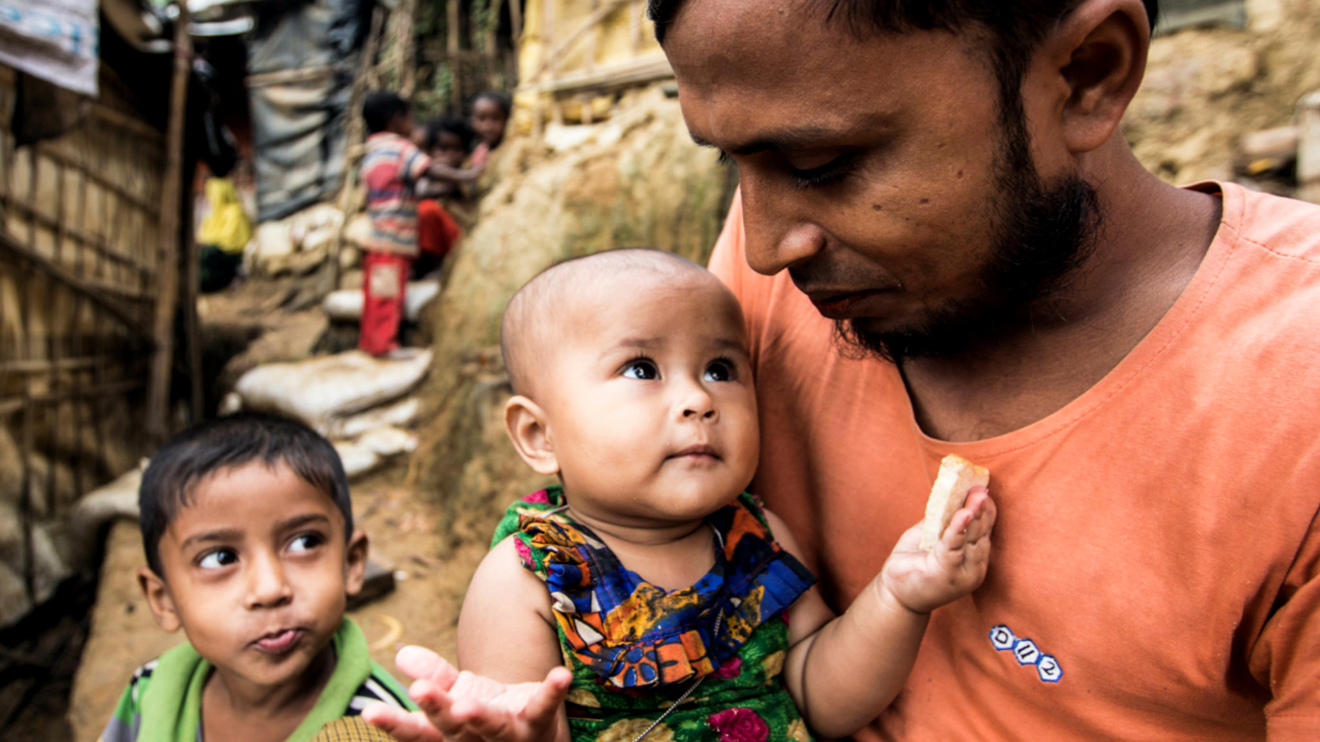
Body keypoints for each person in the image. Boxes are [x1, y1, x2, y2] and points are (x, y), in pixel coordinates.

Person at [366, 0, 1320, 739]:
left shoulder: (1289, 404)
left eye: (820, 162)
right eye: (735, 168)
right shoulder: (792, 271)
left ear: (1085, 74)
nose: (767, 245)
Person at [365, 249, 997, 741]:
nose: (699, 399)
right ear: (539, 434)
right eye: (642, 369)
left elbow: (817, 692)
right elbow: (528, 721)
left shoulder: (757, 537)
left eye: (722, 369)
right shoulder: (528, 580)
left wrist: (898, 599)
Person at [99, 413, 416, 742]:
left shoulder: (386, 729)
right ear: (163, 600)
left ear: (351, 563)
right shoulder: (150, 695)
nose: (269, 589)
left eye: (304, 542)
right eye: (220, 558)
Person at [196, 176, 252, 293]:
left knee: (206, 255)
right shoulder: (214, 212)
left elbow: (230, 240)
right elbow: (204, 234)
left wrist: (209, 242)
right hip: (216, 253)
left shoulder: (235, 211)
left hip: (229, 257)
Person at [469, 91, 511, 169]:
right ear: (472, 121)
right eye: (482, 119)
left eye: (495, 118)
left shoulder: (512, 150)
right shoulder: (479, 150)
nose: (488, 125)